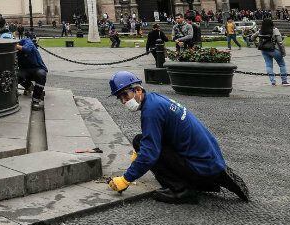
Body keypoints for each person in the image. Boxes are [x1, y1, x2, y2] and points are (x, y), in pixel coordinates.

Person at [106, 71, 249, 204]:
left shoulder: (151, 112)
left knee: (149, 151)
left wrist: (126, 179)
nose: (124, 101)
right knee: (140, 141)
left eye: (125, 95)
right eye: (120, 98)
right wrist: (139, 153)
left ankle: (182, 190)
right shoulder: (155, 99)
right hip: (208, 160)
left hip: (200, 166)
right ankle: (201, 180)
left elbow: (150, 154)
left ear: (137, 90)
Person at [12, 26, 47, 110]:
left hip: (37, 68)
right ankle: (30, 87)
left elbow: (27, 49)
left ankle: (36, 100)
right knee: (15, 75)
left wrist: (15, 46)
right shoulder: (13, 50)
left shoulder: (26, 41)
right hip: (25, 70)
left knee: (41, 74)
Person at [255, 18, 290, 86]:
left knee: (269, 65)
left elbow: (252, 37)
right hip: (274, 49)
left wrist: (257, 43)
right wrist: (283, 52)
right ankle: (284, 81)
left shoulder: (260, 31)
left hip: (264, 50)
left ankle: (273, 81)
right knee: (282, 65)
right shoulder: (275, 30)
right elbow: (280, 42)